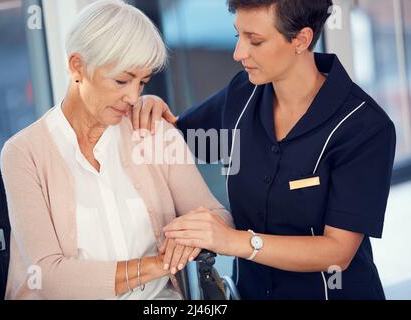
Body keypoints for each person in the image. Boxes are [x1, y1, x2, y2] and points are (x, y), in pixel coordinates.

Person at [133, 0, 396, 300]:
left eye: (255, 41)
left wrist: (233, 241)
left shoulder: (363, 127)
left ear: (301, 39)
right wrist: (150, 107)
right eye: (238, 36)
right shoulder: (241, 94)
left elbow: (337, 251)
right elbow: (178, 139)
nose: (238, 53)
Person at [0, 0, 232, 300]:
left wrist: (192, 235)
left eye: (143, 82)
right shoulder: (23, 153)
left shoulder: (152, 131)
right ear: (77, 66)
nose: (134, 97)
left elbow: (219, 217)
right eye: (122, 80)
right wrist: (161, 264)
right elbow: (49, 277)